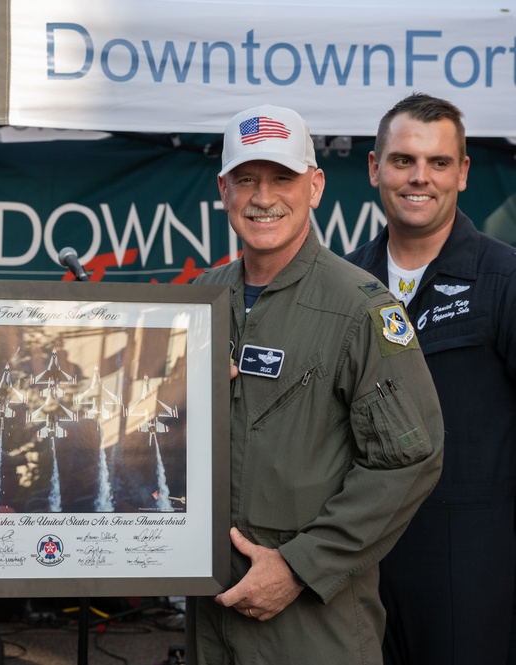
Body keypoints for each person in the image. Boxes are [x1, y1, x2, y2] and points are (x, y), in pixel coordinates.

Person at [185, 104, 444, 662]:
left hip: (310, 628)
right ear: (223, 189)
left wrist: (301, 566)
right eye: (246, 179)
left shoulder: (359, 307)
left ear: (316, 185)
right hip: (210, 618)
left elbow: (410, 459)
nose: (263, 197)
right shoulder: (199, 301)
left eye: (283, 177)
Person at [344, 93, 516, 665]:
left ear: (462, 173)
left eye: (439, 163)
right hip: (356, 561)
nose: (420, 178)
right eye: (402, 161)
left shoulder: (504, 278)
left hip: (473, 567)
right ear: (375, 168)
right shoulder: (343, 284)